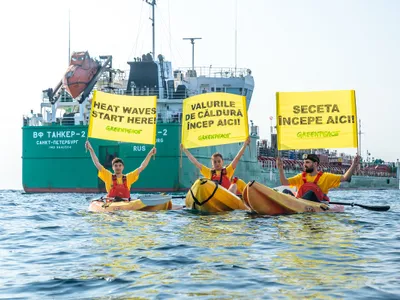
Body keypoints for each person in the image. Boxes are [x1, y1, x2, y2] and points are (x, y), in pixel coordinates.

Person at [85, 140, 156, 199]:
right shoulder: (107, 175)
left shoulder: (129, 177)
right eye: (115, 166)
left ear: (123, 167)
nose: (118, 167)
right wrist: (91, 149)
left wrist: (150, 154)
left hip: (125, 204)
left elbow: (142, 167)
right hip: (111, 204)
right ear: (112, 167)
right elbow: (97, 163)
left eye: (120, 165)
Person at [277, 153, 360, 202]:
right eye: (304, 162)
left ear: (315, 164)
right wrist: (280, 168)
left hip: (316, 203)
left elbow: (345, 178)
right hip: (299, 203)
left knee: (310, 193)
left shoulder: (326, 177)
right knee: (285, 191)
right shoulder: (300, 177)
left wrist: (353, 165)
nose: (304, 165)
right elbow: (284, 182)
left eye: (307, 162)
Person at [180, 137, 251, 194]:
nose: (217, 163)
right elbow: (195, 162)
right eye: (215, 162)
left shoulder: (228, 171)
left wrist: (245, 145)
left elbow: (237, 158)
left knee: (234, 185)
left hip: (228, 197)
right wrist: (185, 150)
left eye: (219, 161)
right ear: (212, 163)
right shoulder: (209, 173)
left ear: (222, 162)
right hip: (214, 197)